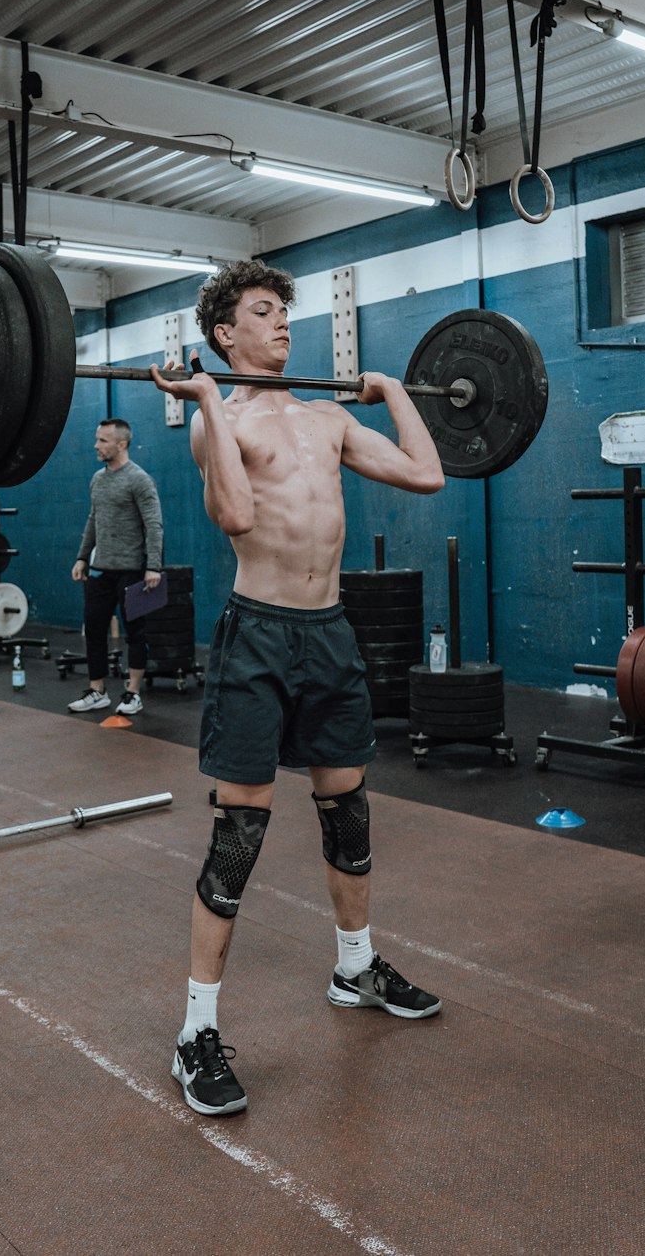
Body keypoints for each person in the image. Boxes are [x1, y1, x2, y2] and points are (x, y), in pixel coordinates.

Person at [151, 257, 446, 1117]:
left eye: (285, 310)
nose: (283, 323)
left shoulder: (326, 419)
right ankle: (196, 1032)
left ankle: (355, 968)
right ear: (224, 334)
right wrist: (204, 400)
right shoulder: (220, 421)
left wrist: (391, 390)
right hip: (259, 638)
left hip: (329, 633)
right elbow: (236, 517)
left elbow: (428, 473)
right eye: (263, 311)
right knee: (240, 831)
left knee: (347, 809)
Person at [68, 419, 163, 717]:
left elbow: (154, 525)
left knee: (136, 632)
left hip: (133, 569)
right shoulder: (97, 479)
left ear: (121, 444)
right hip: (101, 568)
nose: (96, 445)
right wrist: (82, 557)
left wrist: (153, 566)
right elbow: (93, 520)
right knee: (94, 628)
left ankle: (133, 693)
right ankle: (97, 691)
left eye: (103, 441)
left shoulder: (139, 479)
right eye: (97, 439)